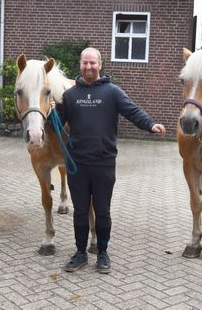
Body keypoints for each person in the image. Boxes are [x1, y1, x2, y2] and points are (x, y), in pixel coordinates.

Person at [52, 47, 166, 274]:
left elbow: (132, 111)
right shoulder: (70, 95)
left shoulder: (112, 92)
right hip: (77, 164)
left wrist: (150, 124)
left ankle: (103, 253)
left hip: (104, 162)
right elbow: (53, 125)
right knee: (81, 211)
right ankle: (80, 253)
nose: (88, 67)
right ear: (80, 65)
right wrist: (49, 112)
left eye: (92, 63)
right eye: (85, 63)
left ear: (100, 65)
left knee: (103, 211)